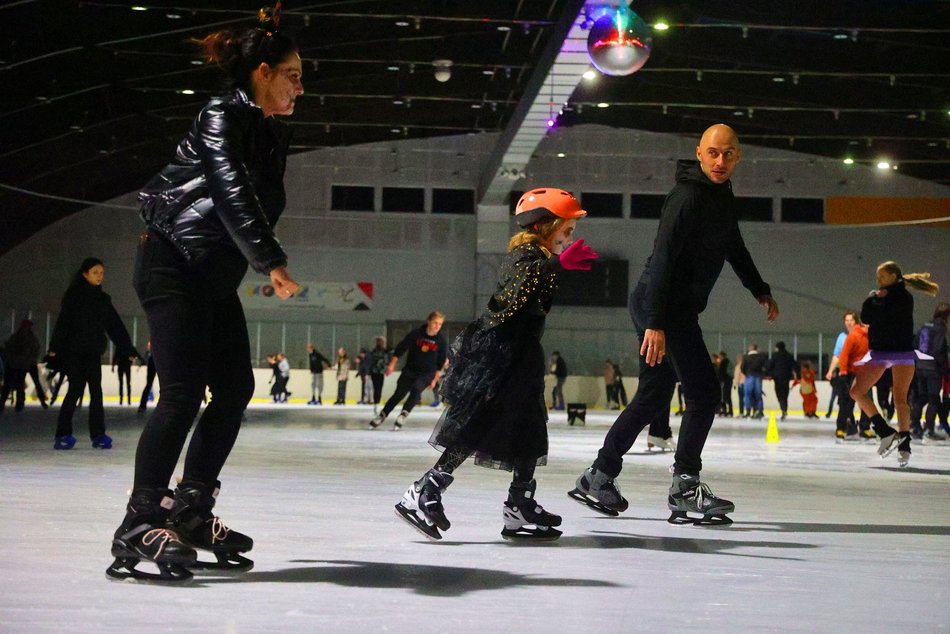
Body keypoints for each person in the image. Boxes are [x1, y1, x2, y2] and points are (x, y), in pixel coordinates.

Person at [107, 6, 303, 584]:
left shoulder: (268, 130)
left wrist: (255, 257)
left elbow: (253, 200)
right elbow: (229, 189)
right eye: (291, 73)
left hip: (211, 275)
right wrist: (271, 260)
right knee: (183, 392)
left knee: (236, 386)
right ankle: (140, 519)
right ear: (262, 72)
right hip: (171, 263)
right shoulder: (220, 113)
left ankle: (190, 508)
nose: (300, 84)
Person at [569, 124, 779, 526]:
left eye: (729, 154)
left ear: (738, 157)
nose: (721, 161)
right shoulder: (687, 197)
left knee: (653, 394)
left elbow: (733, 244)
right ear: (699, 153)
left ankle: (598, 476)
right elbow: (663, 256)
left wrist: (759, 289)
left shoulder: (720, 195)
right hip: (664, 306)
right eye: (713, 153)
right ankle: (685, 487)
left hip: (671, 307)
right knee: (703, 391)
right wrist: (655, 322)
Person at [395, 187, 597, 540]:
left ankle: (519, 504)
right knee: (476, 424)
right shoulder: (524, 256)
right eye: (567, 229)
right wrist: (556, 264)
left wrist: (555, 264)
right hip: (501, 353)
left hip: (520, 353)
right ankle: (423, 491)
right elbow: (519, 292)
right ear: (546, 225)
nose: (571, 236)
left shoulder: (537, 255)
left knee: (531, 429)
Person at [849, 262, 940, 468]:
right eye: (877, 276)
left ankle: (905, 444)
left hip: (901, 351)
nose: (878, 280)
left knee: (900, 398)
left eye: (881, 276)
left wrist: (879, 300)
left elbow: (890, 315)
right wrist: (874, 299)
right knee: (856, 391)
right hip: (879, 352)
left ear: (893, 276)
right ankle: (885, 432)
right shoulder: (878, 296)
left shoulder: (903, 297)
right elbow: (866, 317)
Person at [49, 258, 134, 450]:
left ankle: (98, 434)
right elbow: (64, 322)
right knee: (75, 389)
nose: (99, 276)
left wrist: (127, 348)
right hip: (74, 352)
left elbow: (115, 326)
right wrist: (55, 346)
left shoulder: (103, 300)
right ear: (85, 274)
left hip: (93, 353)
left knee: (96, 392)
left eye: (102, 273)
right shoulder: (74, 296)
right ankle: (62, 434)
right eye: (95, 272)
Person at [369, 311, 448, 430]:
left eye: (440, 324)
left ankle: (403, 414)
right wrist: (391, 365)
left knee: (416, 390)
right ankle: (382, 415)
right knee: (399, 394)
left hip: (427, 374)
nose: (437, 326)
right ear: (429, 321)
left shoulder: (441, 341)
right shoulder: (416, 334)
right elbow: (401, 348)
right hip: (410, 370)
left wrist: (434, 379)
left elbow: (440, 363)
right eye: (435, 323)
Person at [910, 302, 949, 441]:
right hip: (933, 368)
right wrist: (944, 369)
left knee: (922, 397)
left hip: (920, 367)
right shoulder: (940, 329)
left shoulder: (925, 326)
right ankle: (929, 430)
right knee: (933, 399)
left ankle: (914, 427)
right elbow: (939, 351)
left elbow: (915, 345)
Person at [837, 317, 873, 440]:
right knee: (847, 402)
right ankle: (842, 428)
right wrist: (843, 372)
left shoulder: (873, 338)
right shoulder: (854, 336)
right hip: (851, 374)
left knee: (868, 402)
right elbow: (844, 355)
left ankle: (865, 427)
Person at [0, 320, 44, 413]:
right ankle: (10, 402)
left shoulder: (25, 338)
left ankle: (19, 402)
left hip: (21, 364)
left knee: (17, 384)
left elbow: (35, 351)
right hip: (17, 364)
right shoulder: (20, 338)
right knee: (11, 384)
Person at [825, 311, 858, 422]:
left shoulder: (861, 336)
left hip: (859, 372)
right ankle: (848, 423)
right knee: (844, 399)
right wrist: (830, 371)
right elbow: (836, 355)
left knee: (862, 399)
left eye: (851, 320)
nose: (848, 323)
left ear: (856, 321)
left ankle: (864, 425)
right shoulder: (842, 337)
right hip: (844, 372)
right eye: (846, 321)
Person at [766, 341, 797, 420]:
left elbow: (770, 365)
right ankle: (784, 408)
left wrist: (769, 374)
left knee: (779, 393)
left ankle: (783, 408)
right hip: (786, 377)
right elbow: (795, 365)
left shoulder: (775, 356)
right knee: (785, 393)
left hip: (777, 378)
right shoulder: (789, 356)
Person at [741, 344, 766, 419]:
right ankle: (760, 411)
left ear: (750, 348)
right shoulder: (761, 357)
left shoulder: (746, 357)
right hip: (758, 377)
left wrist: (747, 374)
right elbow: (764, 367)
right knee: (758, 395)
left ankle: (748, 411)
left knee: (747, 395)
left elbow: (743, 368)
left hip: (749, 376)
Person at [368, 336, 390, 408]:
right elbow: (371, 360)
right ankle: (376, 401)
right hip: (375, 371)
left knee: (379, 387)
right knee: (376, 387)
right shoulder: (374, 351)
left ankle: (377, 401)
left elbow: (387, 361)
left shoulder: (385, 351)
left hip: (380, 372)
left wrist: (387, 369)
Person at [137, 340, 157, 413]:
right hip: (154, 363)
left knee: (149, 385)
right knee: (148, 385)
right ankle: (142, 405)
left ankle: (142, 405)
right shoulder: (149, 354)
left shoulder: (151, 355)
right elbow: (144, 360)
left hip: (155, 362)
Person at [716, 350, 732, 416]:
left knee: (724, 396)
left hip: (725, 381)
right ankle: (728, 410)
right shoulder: (726, 362)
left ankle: (726, 410)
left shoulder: (724, 363)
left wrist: (721, 380)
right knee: (726, 396)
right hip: (726, 381)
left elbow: (722, 373)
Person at [733, 352, 746, 417]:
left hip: (741, 384)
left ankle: (741, 412)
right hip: (746, 384)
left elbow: (737, 376)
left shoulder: (738, 366)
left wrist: (735, 384)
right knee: (747, 398)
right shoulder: (746, 366)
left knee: (741, 399)